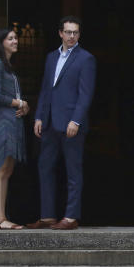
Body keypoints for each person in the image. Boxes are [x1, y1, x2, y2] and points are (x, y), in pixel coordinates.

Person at [27, 16, 96, 230]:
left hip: (71, 125)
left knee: (73, 171)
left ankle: (71, 216)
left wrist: (76, 120)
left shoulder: (86, 59)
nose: (71, 36)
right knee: (44, 167)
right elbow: (46, 90)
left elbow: (86, 95)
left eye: (75, 32)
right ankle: (47, 216)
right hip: (49, 123)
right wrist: (38, 116)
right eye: (68, 32)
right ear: (60, 33)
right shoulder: (50, 58)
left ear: (79, 34)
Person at [0, 27, 28, 229]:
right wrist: (19, 103)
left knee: (8, 169)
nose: (15, 41)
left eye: (16, 38)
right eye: (10, 38)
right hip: (1, 123)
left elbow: (14, 98)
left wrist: (24, 105)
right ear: (1, 42)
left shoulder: (8, 66)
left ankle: (0, 218)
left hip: (12, 123)